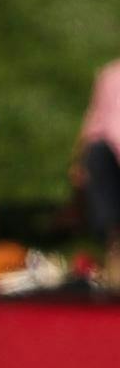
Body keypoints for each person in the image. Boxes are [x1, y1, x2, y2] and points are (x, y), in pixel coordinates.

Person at [72, 59, 120, 281]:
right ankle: (114, 248)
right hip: (111, 156)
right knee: (97, 154)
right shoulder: (112, 75)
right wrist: (78, 163)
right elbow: (96, 124)